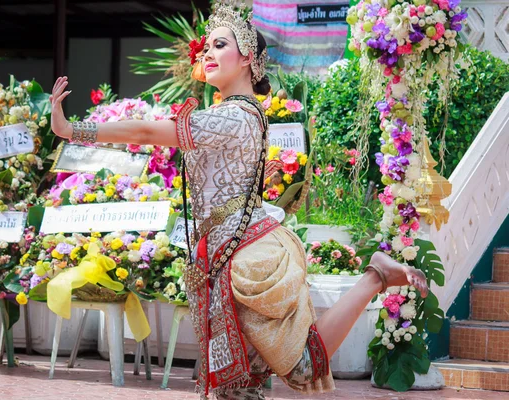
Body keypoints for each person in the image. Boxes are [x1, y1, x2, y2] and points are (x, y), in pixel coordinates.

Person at [49, 3, 429, 399]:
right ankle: (375, 276)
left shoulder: (236, 117)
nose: (207, 54)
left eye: (219, 45)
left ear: (247, 57)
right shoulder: (231, 112)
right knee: (238, 384)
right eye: (206, 48)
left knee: (297, 369)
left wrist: (72, 128)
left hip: (242, 255)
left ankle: (374, 276)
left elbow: (146, 131)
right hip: (224, 250)